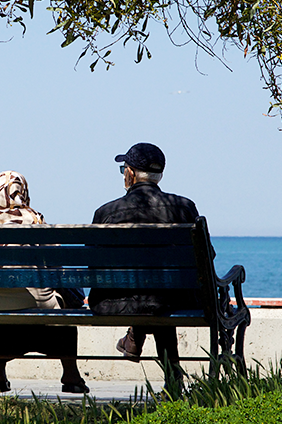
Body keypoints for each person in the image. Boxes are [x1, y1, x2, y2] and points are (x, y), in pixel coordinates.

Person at [87, 143, 209, 381]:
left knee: (150, 291)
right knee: (159, 293)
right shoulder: (184, 207)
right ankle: (171, 378)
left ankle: (135, 337)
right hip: (174, 300)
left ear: (130, 174)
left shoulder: (107, 213)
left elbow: (93, 268)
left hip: (114, 302)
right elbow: (205, 257)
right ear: (160, 175)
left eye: (124, 168)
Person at [0, 171, 89, 394]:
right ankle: (70, 374)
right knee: (61, 302)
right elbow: (57, 266)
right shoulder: (33, 219)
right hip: (35, 303)